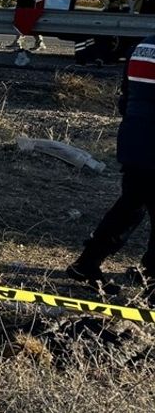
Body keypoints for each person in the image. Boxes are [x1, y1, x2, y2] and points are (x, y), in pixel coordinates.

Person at [66, 33, 155, 296]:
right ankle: (151, 282)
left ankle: (87, 263)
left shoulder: (143, 46)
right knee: (132, 206)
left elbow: (126, 96)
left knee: (131, 205)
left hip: (134, 138)